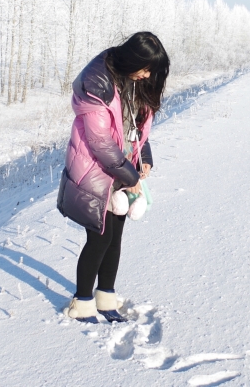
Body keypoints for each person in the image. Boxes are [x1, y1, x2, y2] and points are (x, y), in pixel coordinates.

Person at [56, 31, 170, 323]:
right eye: (145, 69)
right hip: (96, 170)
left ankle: (105, 296)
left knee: (115, 236)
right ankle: (82, 302)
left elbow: (136, 128)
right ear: (132, 60)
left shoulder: (132, 82)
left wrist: (144, 159)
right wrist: (130, 177)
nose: (147, 76)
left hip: (121, 168)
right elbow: (101, 143)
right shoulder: (97, 86)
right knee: (99, 237)